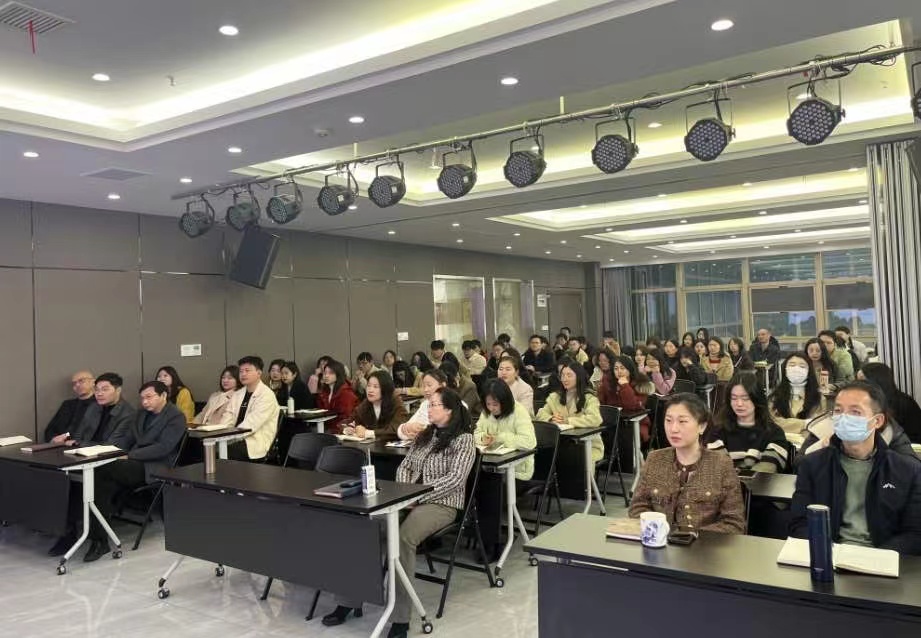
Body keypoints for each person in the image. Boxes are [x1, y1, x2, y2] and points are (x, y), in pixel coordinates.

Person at [323, 388, 475, 637]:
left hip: (442, 503)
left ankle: (400, 618)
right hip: (407, 499)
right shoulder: (426, 435)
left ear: (449, 409)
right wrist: (406, 494)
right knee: (366, 528)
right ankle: (348, 600)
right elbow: (405, 466)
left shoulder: (464, 440)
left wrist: (418, 496)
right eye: (429, 404)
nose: (428, 408)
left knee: (404, 538)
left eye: (434, 405)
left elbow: (455, 480)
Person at [790, 382, 921, 554]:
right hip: (829, 556)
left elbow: (914, 533)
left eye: (855, 412)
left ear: (877, 421)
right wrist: (827, 554)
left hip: (883, 559)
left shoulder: (907, 471)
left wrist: (875, 558)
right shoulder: (813, 465)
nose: (844, 418)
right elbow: (799, 524)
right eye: (838, 410)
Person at [82, 380, 186, 562]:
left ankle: (98, 539)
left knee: (101, 474)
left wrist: (130, 455)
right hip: (132, 462)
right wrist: (112, 452)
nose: (145, 402)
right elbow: (127, 439)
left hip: (154, 466)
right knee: (100, 478)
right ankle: (99, 539)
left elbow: (164, 448)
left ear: (163, 395)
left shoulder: (175, 417)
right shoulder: (140, 414)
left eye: (149, 397)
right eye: (142, 398)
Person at [629, 393, 746, 534]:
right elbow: (637, 508)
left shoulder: (721, 464)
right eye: (668, 420)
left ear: (702, 426)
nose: (673, 429)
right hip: (659, 543)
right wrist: (658, 529)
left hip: (704, 546)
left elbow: (734, 523)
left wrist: (693, 536)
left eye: (682, 421)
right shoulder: (655, 459)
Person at [474, 379, 537, 559]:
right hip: (491, 467)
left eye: (495, 404)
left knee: (490, 491)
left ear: (505, 401)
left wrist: (500, 438)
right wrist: (484, 437)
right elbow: (476, 433)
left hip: (516, 471)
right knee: (476, 486)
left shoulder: (519, 411)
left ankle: (491, 542)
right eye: (488, 404)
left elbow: (529, 442)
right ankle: (481, 536)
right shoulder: (487, 412)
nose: (492, 408)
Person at [708, 372, 789, 473]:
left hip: (762, 482)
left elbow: (768, 469)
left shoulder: (774, 433)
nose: (739, 404)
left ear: (757, 399)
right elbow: (717, 468)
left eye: (745, 398)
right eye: (734, 398)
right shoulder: (717, 432)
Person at [536, 361, 603, 461]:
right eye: (562, 375)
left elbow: (595, 419)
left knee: (575, 457)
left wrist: (568, 421)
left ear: (579, 377)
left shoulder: (589, 398)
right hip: (561, 444)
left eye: (569, 375)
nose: (565, 379)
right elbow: (540, 414)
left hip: (587, 445)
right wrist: (551, 419)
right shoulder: (555, 397)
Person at [54, 373, 136, 446]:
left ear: (118, 390)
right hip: (84, 450)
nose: (99, 394)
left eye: (105, 389)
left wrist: (78, 443)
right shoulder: (94, 406)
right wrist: (70, 440)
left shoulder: (128, 414)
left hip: (108, 455)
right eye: (96, 390)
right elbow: (79, 432)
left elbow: (112, 445)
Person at [227, 356, 280, 461]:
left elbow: (251, 424)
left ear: (259, 373)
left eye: (247, 370)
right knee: (207, 448)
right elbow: (228, 417)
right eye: (241, 371)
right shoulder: (237, 394)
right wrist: (220, 435)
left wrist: (228, 438)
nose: (243, 374)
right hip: (234, 437)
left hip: (255, 442)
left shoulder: (266, 395)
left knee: (224, 451)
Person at [859, 362, 921, 443]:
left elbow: (915, 437)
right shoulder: (862, 403)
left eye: (861, 381)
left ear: (876, 381)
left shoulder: (905, 403)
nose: (856, 385)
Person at [599, 355, 654, 444]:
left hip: (636, 423)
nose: (619, 371)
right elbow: (602, 404)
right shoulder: (609, 384)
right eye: (616, 369)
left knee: (622, 436)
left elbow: (631, 405)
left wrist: (625, 386)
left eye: (622, 368)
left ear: (630, 369)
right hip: (614, 423)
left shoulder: (641, 384)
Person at [769, 353, 826, 435]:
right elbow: (773, 422)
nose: (796, 369)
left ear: (809, 371)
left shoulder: (818, 398)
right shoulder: (775, 397)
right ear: (785, 369)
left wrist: (788, 424)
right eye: (792, 365)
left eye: (802, 366)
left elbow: (817, 424)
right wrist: (804, 423)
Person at [344, 370, 408, 442]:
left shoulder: (395, 401)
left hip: (392, 446)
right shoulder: (366, 403)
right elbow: (350, 420)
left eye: (375, 387)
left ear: (385, 388)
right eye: (368, 385)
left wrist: (368, 433)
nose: (370, 390)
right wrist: (348, 428)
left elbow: (397, 429)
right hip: (372, 445)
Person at [44, 370, 97, 442]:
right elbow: (50, 429)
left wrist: (66, 436)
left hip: (83, 445)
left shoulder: (99, 404)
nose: (77, 385)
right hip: (59, 445)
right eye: (74, 383)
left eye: (81, 381)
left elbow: (86, 431)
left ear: (93, 382)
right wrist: (53, 438)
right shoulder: (67, 404)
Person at [397, 369, 450, 440]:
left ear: (443, 385)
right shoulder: (425, 404)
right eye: (424, 386)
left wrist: (423, 432)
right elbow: (401, 431)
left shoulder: (456, 405)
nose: (425, 389)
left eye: (429, 385)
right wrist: (406, 428)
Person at [317, 359, 359, 434]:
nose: (326, 376)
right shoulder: (324, 391)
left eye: (331, 373)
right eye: (325, 373)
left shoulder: (346, 393)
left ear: (338, 374)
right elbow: (321, 412)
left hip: (344, 429)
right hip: (329, 427)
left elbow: (346, 417)